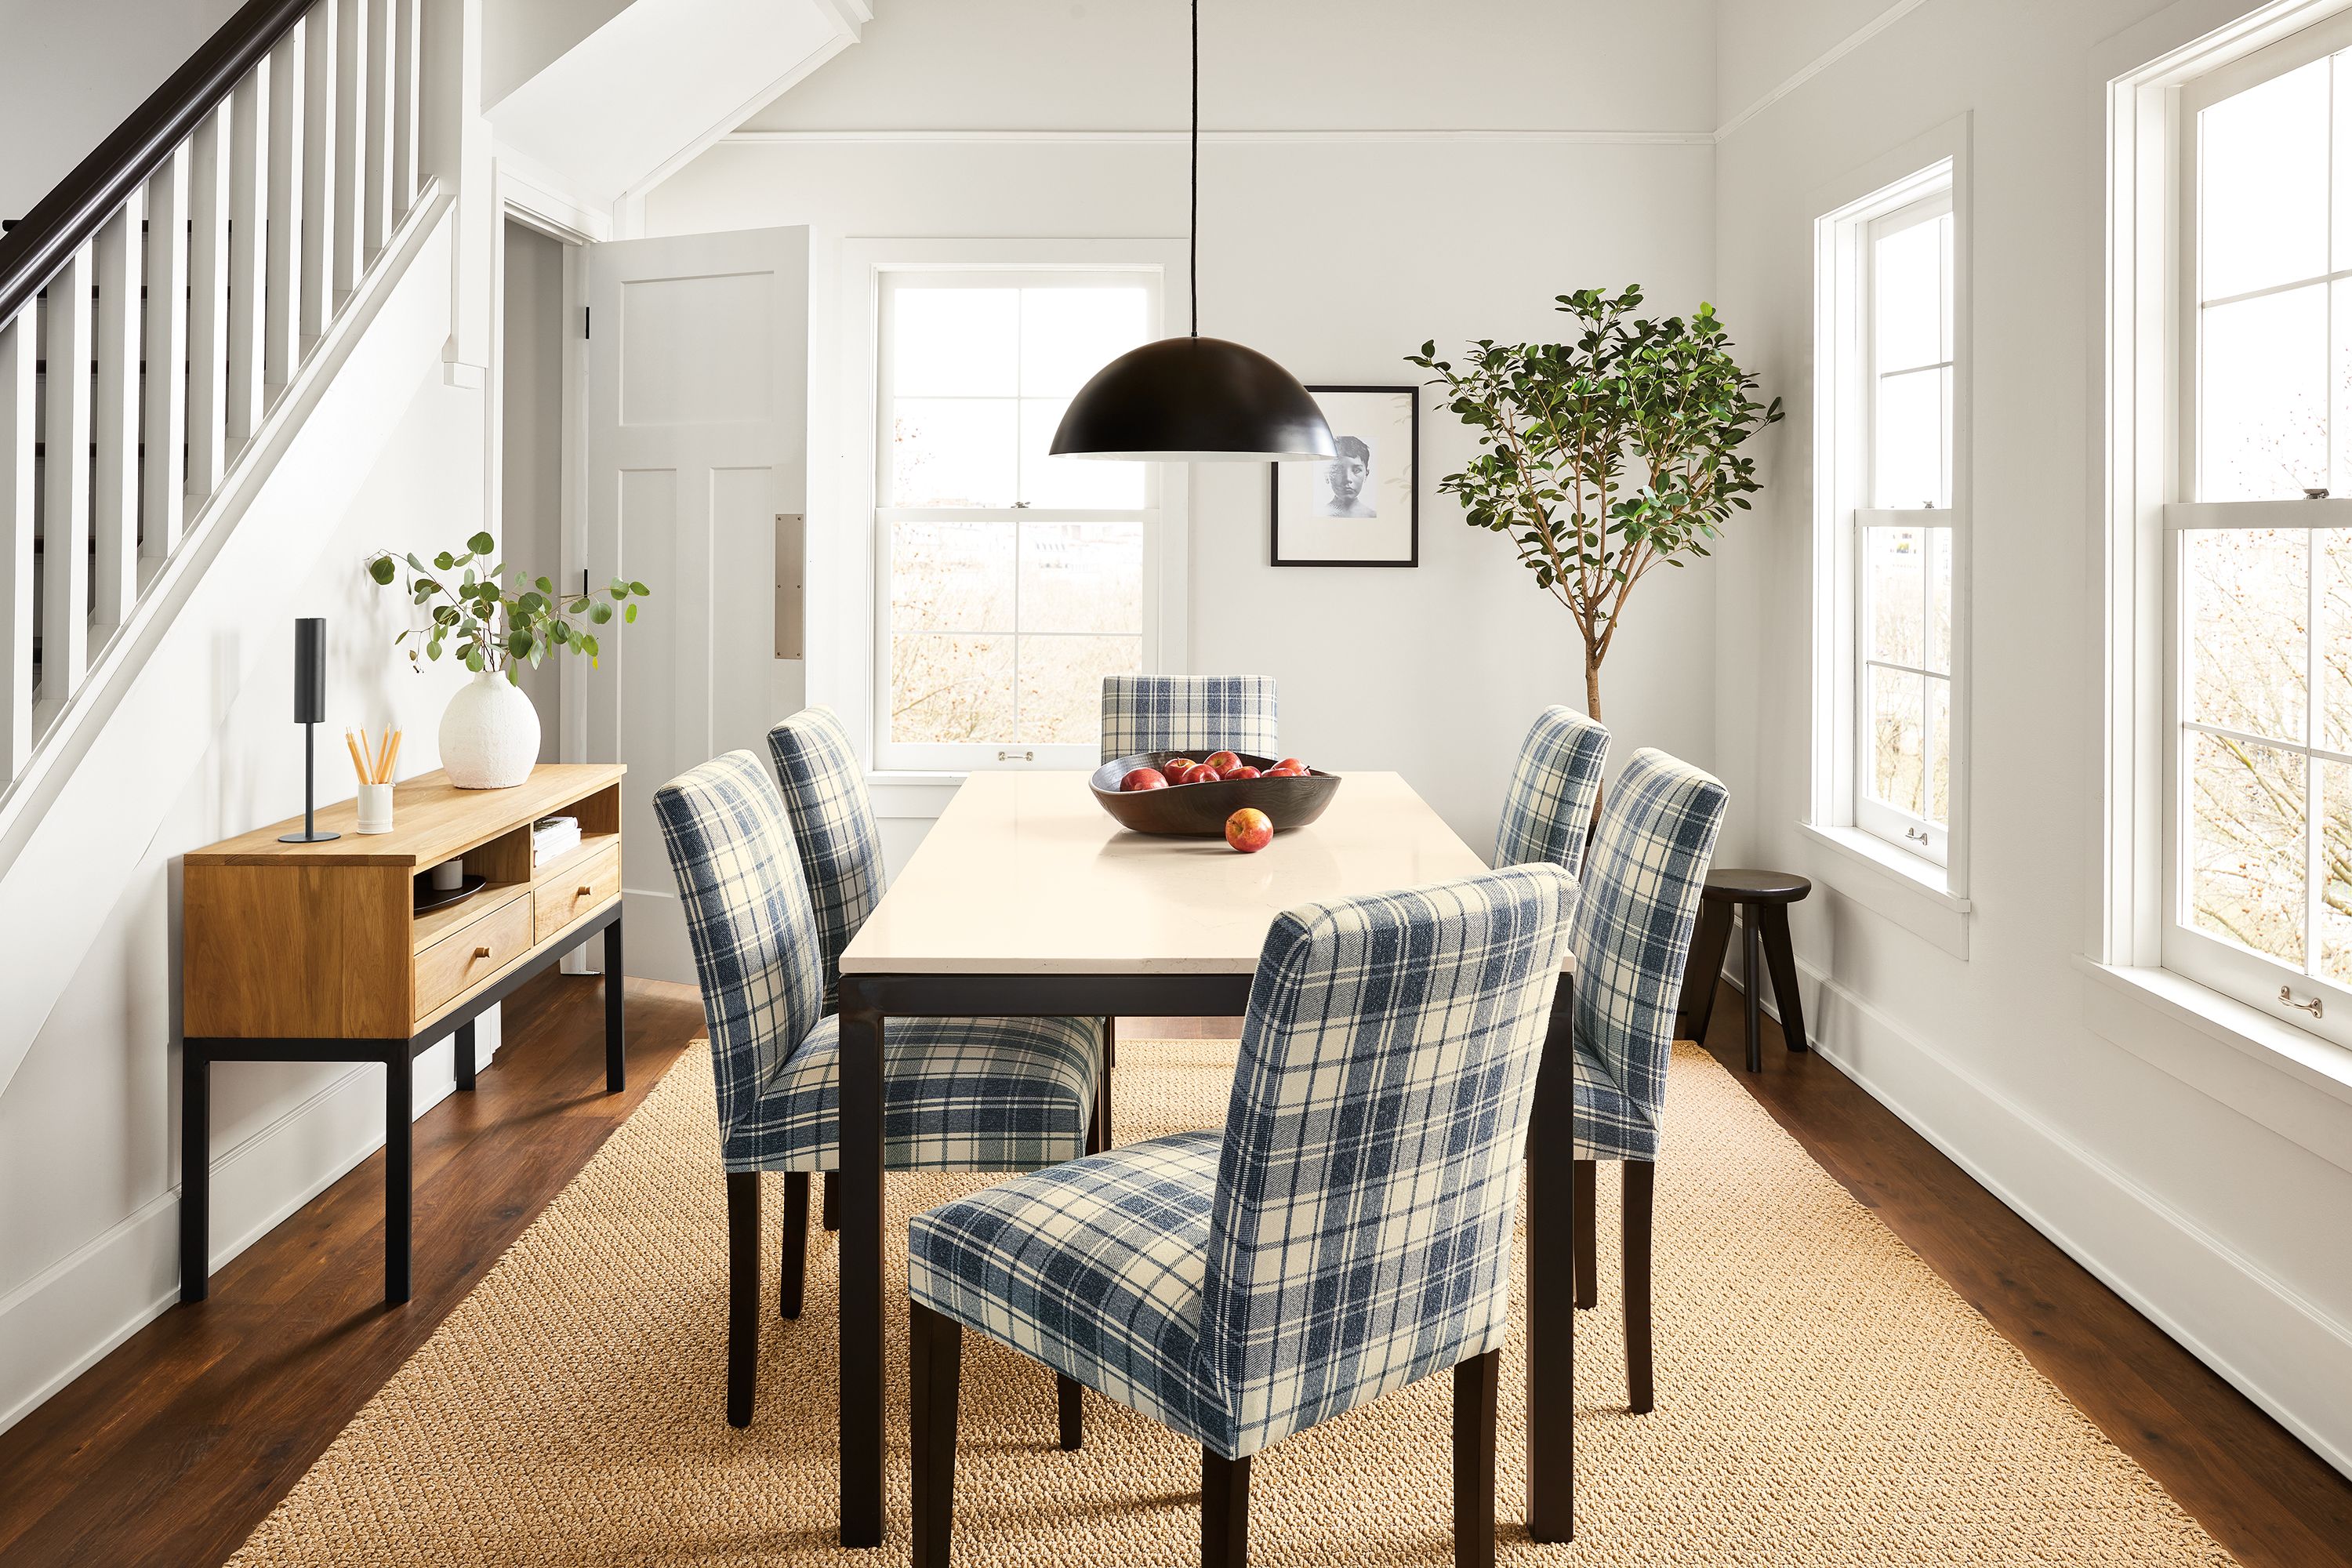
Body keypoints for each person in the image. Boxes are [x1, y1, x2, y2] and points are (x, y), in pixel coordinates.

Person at [1319, 434, 1376, 517]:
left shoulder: (1373, 516)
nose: (1347, 479)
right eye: (1338, 470)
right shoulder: (1321, 515)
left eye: (1356, 470)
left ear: (1366, 475)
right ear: (1326, 475)